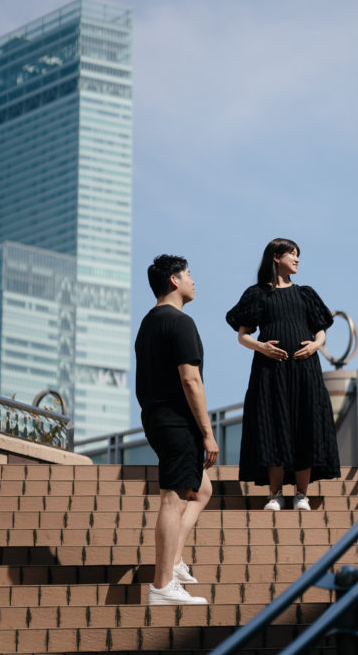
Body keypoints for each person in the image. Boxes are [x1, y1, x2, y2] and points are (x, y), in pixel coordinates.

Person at [226, 238, 340, 511]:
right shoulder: (258, 294)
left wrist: (315, 345)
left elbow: (321, 329)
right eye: (292, 254)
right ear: (276, 257)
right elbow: (243, 335)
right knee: (273, 426)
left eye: (298, 254)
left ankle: (302, 495)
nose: (297, 259)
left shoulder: (305, 294)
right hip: (270, 371)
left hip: (306, 370)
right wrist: (262, 347)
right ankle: (275, 495)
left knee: (306, 425)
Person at [135, 254, 219, 605]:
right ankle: (162, 585)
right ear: (174, 280)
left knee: (202, 489)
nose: (193, 280)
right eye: (188, 274)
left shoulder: (148, 323)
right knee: (173, 498)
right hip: (177, 420)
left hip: (156, 418)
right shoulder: (180, 322)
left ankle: (173, 561)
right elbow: (190, 380)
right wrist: (207, 432)